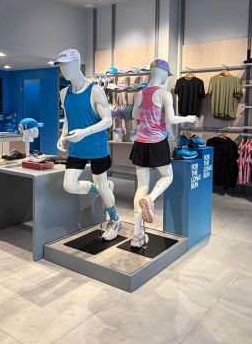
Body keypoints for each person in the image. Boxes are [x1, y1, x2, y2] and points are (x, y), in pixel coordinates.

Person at [130, 59, 197, 248]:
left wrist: (147, 117)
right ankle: (150, 199)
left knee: (142, 185)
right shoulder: (164, 94)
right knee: (167, 176)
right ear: (162, 72)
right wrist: (188, 118)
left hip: (140, 143)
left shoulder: (140, 93)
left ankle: (136, 235)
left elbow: (134, 115)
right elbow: (172, 119)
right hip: (157, 142)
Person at [56, 49, 122, 241]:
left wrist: (84, 132)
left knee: (101, 184)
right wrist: (63, 135)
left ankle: (115, 220)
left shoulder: (95, 90)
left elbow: (108, 121)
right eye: (61, 66)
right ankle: (102, 188)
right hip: (76, 147)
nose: (63, 69)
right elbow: (68, 118)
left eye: (66, 65)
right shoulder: (64, 93)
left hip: (96, 147)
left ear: (77, 64)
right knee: (69, 185)